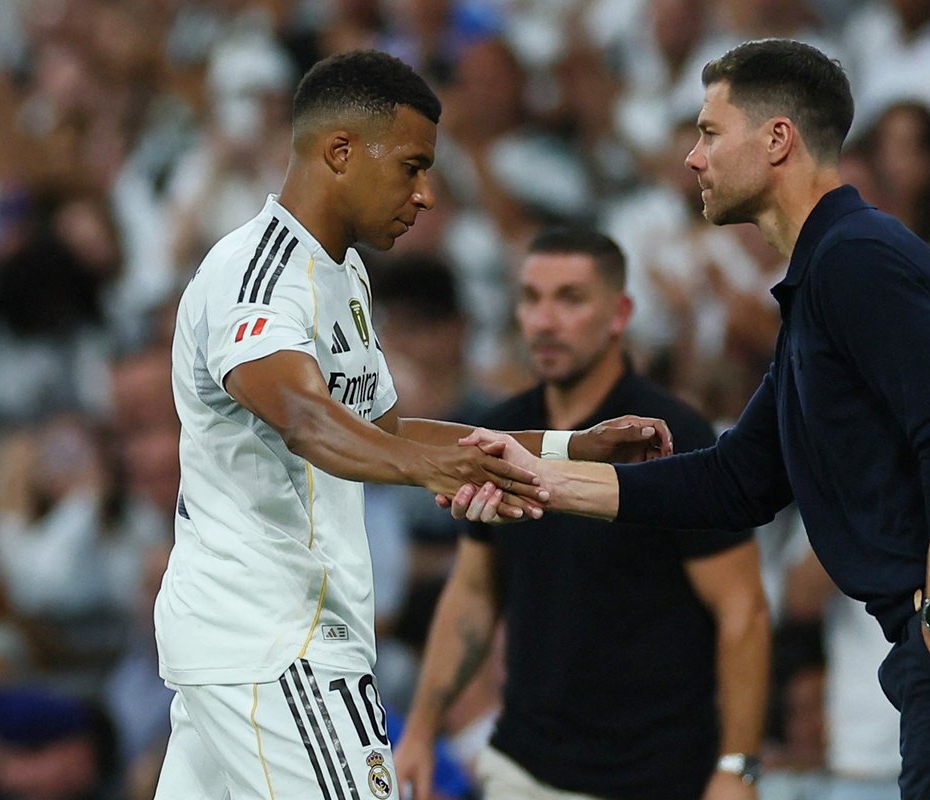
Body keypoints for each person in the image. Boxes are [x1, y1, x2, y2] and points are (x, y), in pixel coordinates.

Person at [450, 39, 930, 800]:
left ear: (778, 139)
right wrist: (544, 480)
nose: (691, 157)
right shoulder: (827, 274)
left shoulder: (857, 259)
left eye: (710, 133)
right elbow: (737, 482)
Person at [153, 49, 666, 800]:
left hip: (254, 642)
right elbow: (304, 418)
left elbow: (386, 427)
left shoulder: (346, 274)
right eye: (412, 166)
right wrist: (433, 472)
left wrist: (564, 445)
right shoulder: (253, 274)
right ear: (339, 152)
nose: (426, 194)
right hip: (279, 643)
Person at [394, 227, 769, 800]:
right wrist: (420, 730)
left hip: (657, 777)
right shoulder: (500, 430)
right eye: (531, 298)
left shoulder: (670, 437)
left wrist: (736, 767)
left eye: (570, 299)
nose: (544, 321)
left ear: (619, 314)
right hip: (523, 768)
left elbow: (741, 609)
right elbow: (473, 594)